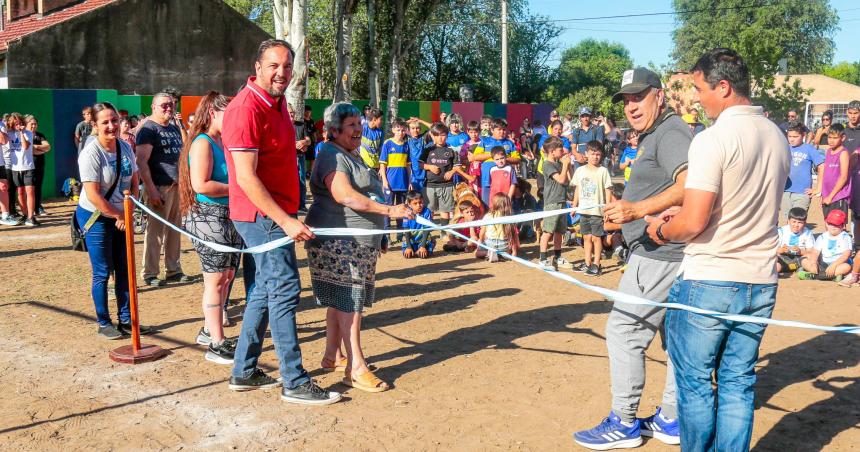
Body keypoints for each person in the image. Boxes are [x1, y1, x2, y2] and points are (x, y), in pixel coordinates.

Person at [644, 48, 789, 451]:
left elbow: (692, 224)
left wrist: (661, 228)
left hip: (711, 278)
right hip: (759, 281)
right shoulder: (776, 135)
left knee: (694, 385)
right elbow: (741, 200)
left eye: (699, 89)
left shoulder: (713, 139)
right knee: (738, 383)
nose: (695, 98)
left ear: (723, 87)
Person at [575, 66, 692, 450]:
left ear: (659, 95)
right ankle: (672, 419)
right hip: (663, 253)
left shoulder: (670, 132)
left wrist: (636, 210)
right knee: (674, 340)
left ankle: (624, 422)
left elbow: (688, 184)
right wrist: (627, 208)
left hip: (658, 255)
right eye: (626, 99)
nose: (631, 105)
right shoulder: (656, 133)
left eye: (638, 96)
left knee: (624, 333)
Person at [222, 39, 341, 404]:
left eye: (287, 67)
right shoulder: (246, 108)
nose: (282, 73)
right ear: (257, 67)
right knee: (286, 289)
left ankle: (244, 370)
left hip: (276, 214)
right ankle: (294, 379)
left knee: (264, 289)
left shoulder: (276, 105)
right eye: (274, 65)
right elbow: (246, 177)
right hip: (262, 216)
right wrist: (285, 221)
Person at [305, 101, 413, 393]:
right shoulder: (331, 155)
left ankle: (332, 355)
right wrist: (390, 213)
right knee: (349, 304)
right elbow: (345, 196)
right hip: (340, 242)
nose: (358, 129)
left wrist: (380, 233)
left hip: (357, 242)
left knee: (340, 301)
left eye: (359, 123)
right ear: (334, 129)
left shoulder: (349, 153)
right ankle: (356, 368)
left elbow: (365, 193)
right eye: (352, 125)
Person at [178, 92, 240, 365]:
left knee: (226, 276)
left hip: (228, 215)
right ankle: (217, 341)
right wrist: (240, 189)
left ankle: (209, 330)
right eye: (229, 112)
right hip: (207, 216)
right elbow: (201, 185)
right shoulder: (202, 143)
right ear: (213, 112)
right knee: (215, 280)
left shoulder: (222, 141)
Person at [76, 102, 141, 339]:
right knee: (102, 271)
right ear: (94, 125)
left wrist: (130, 208)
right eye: (105, 122)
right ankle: (104, 322)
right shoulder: (91, 153)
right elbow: (93, 195)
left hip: (121, 215)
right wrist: (118, 215)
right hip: (96, 217)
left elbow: (134, 179)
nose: (112, 126)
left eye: (114, 120)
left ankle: (126, 320)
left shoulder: (124, 146)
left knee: (124, 269)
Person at [136, 92, 190, 286]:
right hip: (159, 187)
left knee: (175, 230)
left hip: (176, 186)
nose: (169, 108)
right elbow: (141, 161)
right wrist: (151, 189)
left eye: (171, 105)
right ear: (153, 107)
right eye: (164, 105)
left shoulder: (174, 128)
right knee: (155, 232)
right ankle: (150, 273)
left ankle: (173, 269)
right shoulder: (148, 129)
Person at [570, 141, 614, 276]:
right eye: (592, 154)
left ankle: (596, 264)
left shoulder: (603, 171)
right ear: (586, 154)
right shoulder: (580, 170)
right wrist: (574, 205)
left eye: (598, 154)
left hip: (597, 212)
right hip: (584, 211)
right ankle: (587, 263)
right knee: (586, 238)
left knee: (596, 238)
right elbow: (578, 188)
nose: (595, 157)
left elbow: (608, 190)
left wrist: (607, 208)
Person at [420, 122, 472, 232]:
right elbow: (420, 164)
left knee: (445, 210)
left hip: (447, 185)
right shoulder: (428, 150)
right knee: (429, 210)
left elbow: (457, 166)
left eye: (443, 135)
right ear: (432, 136)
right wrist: (429, 167)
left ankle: (444, 233)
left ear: (447, 136)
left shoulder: (451, 150)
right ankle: (426, 233)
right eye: (437, 135)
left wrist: (452, 172)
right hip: (430, 185)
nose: (440, 138)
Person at [536, 136, 571, 270]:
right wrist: (566, 165)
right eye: (560, 149)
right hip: (552, 202)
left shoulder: (560, 164)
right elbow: (561, 180)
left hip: (562, 201)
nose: (563, 151)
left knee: (559, 231)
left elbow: (568, 180)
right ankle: (543, 258)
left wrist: (569, 166)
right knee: (548, 231)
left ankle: (557, 256)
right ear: (552, 151)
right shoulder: (547, 164)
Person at [797, 210, 853, 281]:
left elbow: (846, 255)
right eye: (830, 224)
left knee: (846, 267)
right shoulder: (822, 236)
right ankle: (832, 276)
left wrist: (834, 265)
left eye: (836, 225)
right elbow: (815, 252)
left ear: (843, 225)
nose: (833, 227)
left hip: (838, 264)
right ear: (826, 223)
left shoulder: (845, 237)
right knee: (805, 259)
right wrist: (814, 263)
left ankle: (814, 276)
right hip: (823, 264)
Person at [783, 122, 824, 218]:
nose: (791, 139)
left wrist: (818, 188)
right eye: (789, 136)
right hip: (785, 191)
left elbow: (822, 166)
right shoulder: (785, 148)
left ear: (803, 135)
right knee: (788, 221)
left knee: (798, 221)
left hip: (802, 193)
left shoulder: (809, 149)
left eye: (795, 136)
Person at [379, 118, 412, 236]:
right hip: (390, 183)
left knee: (401, 207)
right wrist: (384, 181)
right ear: (393, 130)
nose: (401, 132)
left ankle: (399, 231)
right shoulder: (387, 143)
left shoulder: (406, 145)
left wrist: (410, 181)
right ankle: (387, 231)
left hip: (402, 183)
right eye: (398, 130)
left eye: (403, 130)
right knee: (388, 206)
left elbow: (408, 166)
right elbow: (383, 164)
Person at [5, 113, 38, 226]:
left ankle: (30, 217)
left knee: (30, 192)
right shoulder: (8, 134)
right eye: (15, 124)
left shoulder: (28, 133)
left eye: (19, 123)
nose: (17, 125)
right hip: (15, 167)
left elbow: (25, 146)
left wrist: (21, 133)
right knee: (20, 192)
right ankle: (25, 215)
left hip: (28, 166)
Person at [815, 123, 851, 218]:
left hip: (838, 197)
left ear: (842, 138)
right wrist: (824, 195)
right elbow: (826, 174)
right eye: (830, 137)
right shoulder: (828, 152)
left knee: (837, 227)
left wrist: (831, 196)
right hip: (827, 196)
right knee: (828, 224)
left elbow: (843, 177)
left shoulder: (843, 153)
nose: (831, 140)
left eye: (835, 138)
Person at [475, 192, 519, 261]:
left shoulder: (488, 216)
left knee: (477, 253)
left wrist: (480, 242)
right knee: (508, 253)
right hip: (504, 244)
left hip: (490, 243)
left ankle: (489, 253)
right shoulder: (509, 217)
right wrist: (514, 251)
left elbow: (482, 233)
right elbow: (513, 235)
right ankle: (501, 255)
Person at [775, 207, 815, 274]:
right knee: (775, 261)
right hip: (783, 259)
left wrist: (800, 251)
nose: (796, 225)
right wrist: (782, 250)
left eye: (800, 223)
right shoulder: (781, 231)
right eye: (794, 222)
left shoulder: (807, 233)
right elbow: (774, 249)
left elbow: (811, 252)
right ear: (788, 221)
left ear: (805, 223)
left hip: (799, 259)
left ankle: (805, 270)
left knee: (810, 257)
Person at [25, 116, 49, 216]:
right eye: (32, 124)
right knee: (30, 188)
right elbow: (29, 151)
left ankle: (38, 208)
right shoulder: (24, 135)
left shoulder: (40, 135)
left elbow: (48, 147)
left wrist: (35, 146)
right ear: (26, 125)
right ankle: (27, 210)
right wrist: (41, 149)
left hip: (40, 164)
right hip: (28, 166)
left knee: (38, 187)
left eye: (35, 124)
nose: (34, 126)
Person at [402, 190, 435, 258]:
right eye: (415, 203)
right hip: (411, 240)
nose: (419, 205)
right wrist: (408, 247)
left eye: (420, 202)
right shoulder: (407, 213)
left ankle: (429, 245)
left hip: (423, 240)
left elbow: (426, 230)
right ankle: (413, 249)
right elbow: (406, 230)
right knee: (407, 255)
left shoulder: (426, 212)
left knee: (424, 255)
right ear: (409, 204)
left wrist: (423, 246)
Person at [0, 120, 17, 226]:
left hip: (0, 162)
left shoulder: (1, 124)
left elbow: (4, 140)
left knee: (3, 187)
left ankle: (5, 216)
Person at [407, 118, 429, 197]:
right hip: (412, 173)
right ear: (409, 130)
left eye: (417, 128)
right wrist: (407, 122)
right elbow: (398, 127)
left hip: (423, 173)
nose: (415, 130)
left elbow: (433, 127)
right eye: (412, 128)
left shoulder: (423, 138)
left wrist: (421, 121)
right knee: (412, 197)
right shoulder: (407, 138)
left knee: (422, 197)